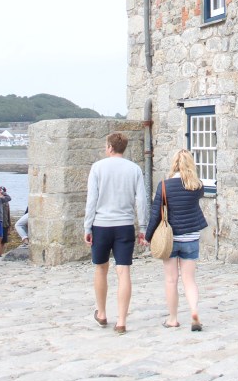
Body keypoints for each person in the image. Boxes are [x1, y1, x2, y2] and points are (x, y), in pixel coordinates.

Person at [84, 132, 148, 334]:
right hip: (124, 225)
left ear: (110, 147)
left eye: (106, 145)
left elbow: (91, 200)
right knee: (123, 271)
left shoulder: (97, 167)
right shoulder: (134, 169)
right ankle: (121, 321)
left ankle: (102, 313)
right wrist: (143, 227)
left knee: (100, 268)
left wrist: (87, 227)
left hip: (101, 225)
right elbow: (141, 200)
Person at [145, 148, 208, 331]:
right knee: (189, 279)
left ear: (174, 164)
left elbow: (156, 214)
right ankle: (194, 312)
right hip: (191, 236)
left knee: (171, 280)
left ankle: (173, 318)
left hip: (171, 238)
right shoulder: (197, 186)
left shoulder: (164, 186)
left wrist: (148, 236)